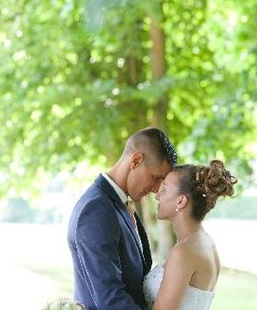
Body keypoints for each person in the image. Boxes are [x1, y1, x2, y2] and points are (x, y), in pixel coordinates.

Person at [67, 127, 178, 310]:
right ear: (136, 161)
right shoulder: (97, 209)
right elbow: (109, 297)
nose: (157, 189)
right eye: (156, 178)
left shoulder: (119, 204)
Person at [143, 160, 237, 310]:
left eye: (164, 189)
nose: (157, 196)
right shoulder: (206, 243)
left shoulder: (184, 252)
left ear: (181, 201)